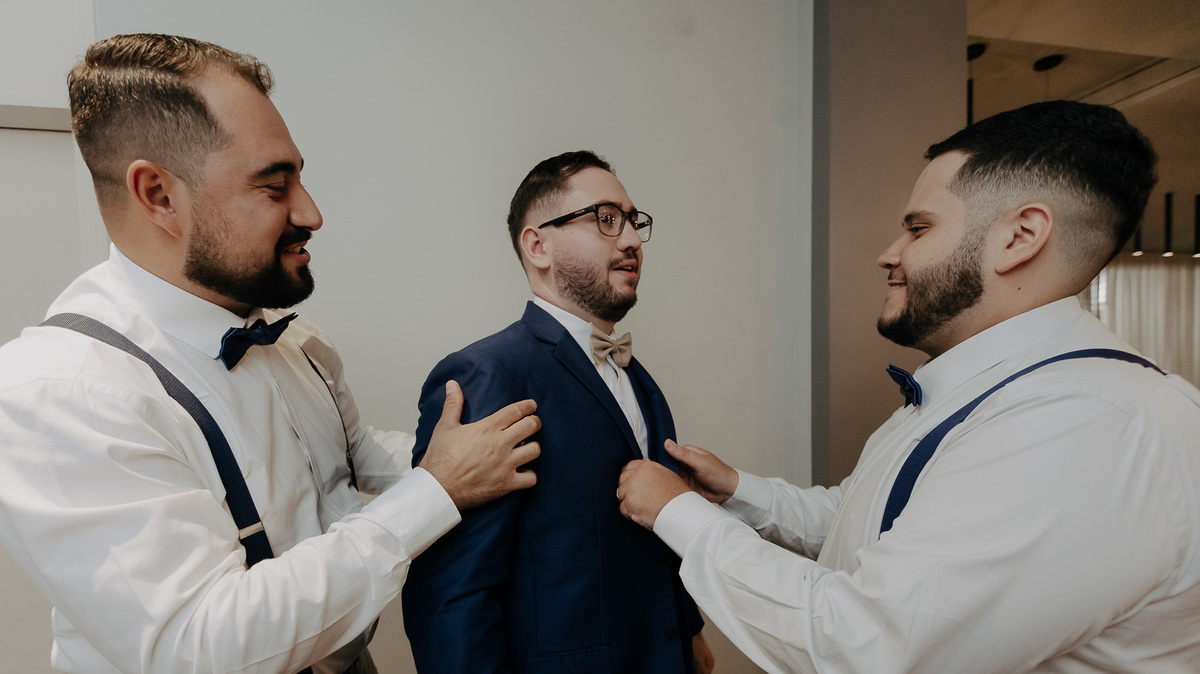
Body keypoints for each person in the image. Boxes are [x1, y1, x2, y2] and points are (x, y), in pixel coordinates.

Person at [0, 33, 541, 674]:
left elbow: (350, 459)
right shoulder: (60, 393)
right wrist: (435, 492)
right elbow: (202, 646)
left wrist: (514, 447)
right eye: (274, 186)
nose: (311, 213)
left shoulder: (298, 341)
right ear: (159, 195)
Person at [617, 100, 1200, 673]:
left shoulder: (1086, 424)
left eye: (918, 229)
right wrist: (739, 492)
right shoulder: (988, 389)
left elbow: (868, 648)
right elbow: (872, 526)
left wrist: (679, 515)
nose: (888, 255)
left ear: (1020, 237)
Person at [401, 151, 713, 673]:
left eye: (633, 221)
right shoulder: (488, 374)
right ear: (538, 245)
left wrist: (689, 632)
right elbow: (449, 595)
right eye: (606, 219)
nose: (632, 240)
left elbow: (653, 535)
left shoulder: (639, 380)